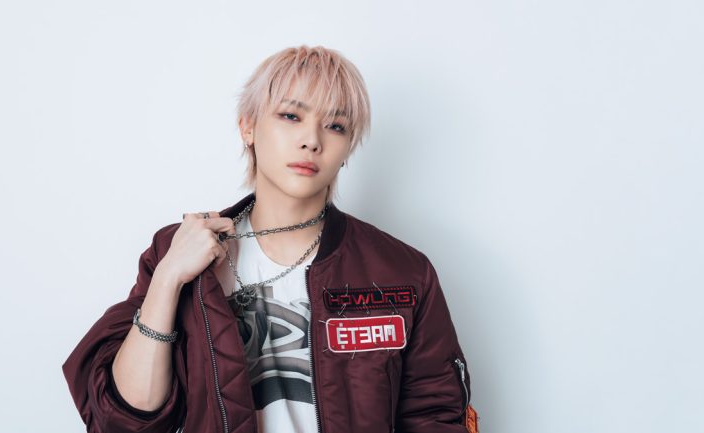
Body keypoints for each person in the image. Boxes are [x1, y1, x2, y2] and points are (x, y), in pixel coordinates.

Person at [62, 45, 479, 433]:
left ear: (348, 148)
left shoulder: (401, 272)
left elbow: (435, 417)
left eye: (335, 126)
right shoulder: (179, 250)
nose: (311, 140)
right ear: (248, 127)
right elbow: (125, 419)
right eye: (291, 116)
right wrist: (168, 278)